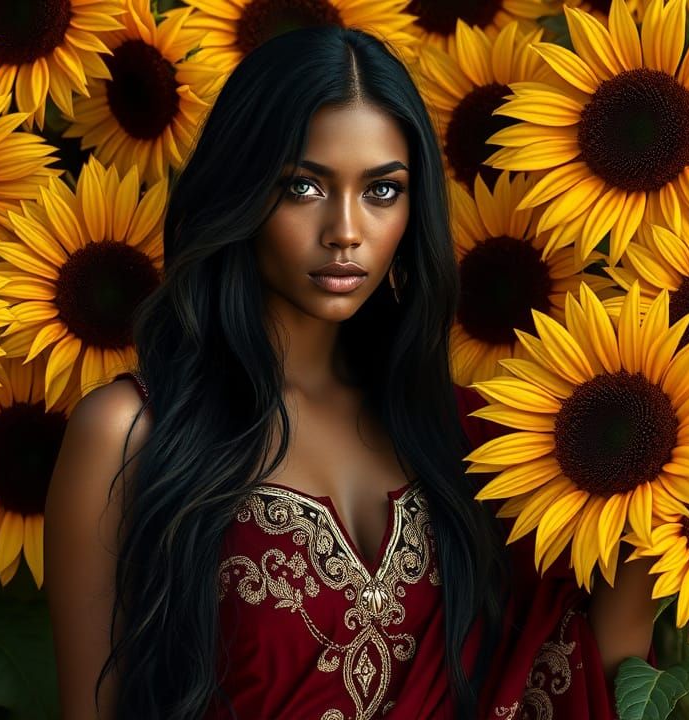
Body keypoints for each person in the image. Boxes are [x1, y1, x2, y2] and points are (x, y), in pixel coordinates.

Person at [44, 25, 657, 720]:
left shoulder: (471, 436)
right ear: (240, 192)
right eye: (304, 186)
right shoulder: (131, 432)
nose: (345, 229)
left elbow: (576, 665)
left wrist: (665, 473)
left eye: (382, 191)